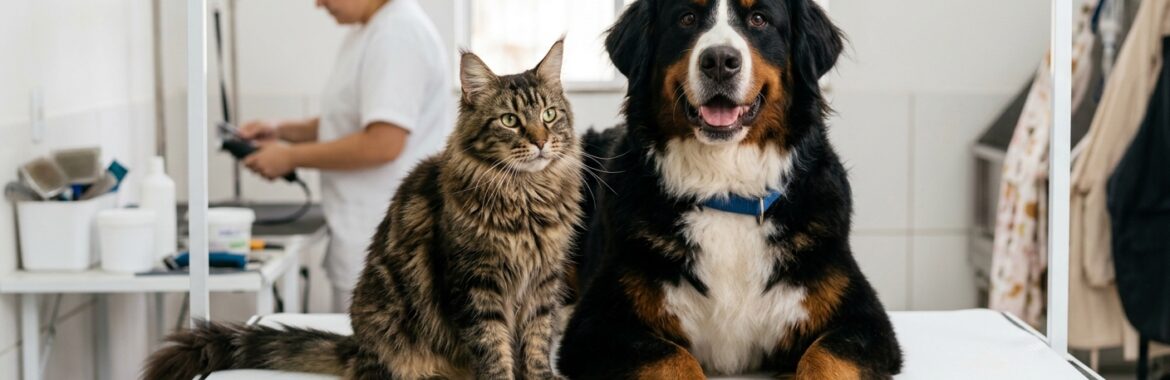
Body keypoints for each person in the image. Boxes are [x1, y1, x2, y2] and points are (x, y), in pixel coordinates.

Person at [239, 0, 453, 312]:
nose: (318, 3)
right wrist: (281, 129)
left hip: (384, 237)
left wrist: (290, 157)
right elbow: (351, 121)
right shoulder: (370, 31)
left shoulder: (396, 34)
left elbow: (383, 143)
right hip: (365, 231)